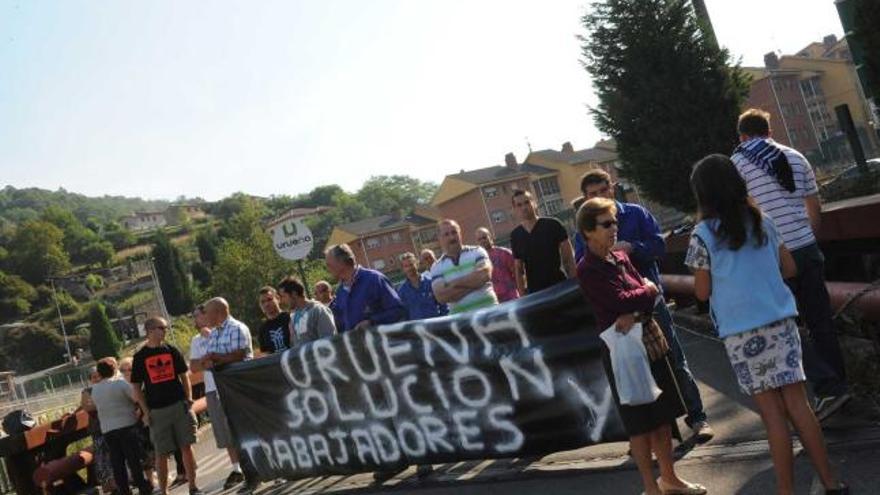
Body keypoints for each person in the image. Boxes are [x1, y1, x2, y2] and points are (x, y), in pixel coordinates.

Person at [686, 154, 847, 495]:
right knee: (799, 406)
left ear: (703, 194)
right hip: (779, 323)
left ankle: (785, 491)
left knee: (772, 414)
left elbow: (701, 290)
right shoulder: (763, 221)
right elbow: (789, 268)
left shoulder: (701, 235)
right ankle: (831, 482)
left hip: (741, 334)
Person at [577, 197, 705, 495]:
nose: (614, 229)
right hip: (622, 352)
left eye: (615, 223)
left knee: (662, 418)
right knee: (640, 424)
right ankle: (651, 487)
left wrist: (637, 303)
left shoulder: (620, 258)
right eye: (606, 224)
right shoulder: (588, 268)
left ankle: (670, 479)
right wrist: (642, 295)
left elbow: (650, 290)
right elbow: (622, 300)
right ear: (587, 231)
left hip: (649, 342)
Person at [732, 108, 850, 421]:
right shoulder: (796, 157)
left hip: (774, 256)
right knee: (821, 321)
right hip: (807, 248)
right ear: (769, 131)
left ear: (743, 136)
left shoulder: (738, 163)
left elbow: (743, 214)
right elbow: (814, 206)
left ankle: (827, 387)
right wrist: (806, 238)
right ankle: (838, 388)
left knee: (785, 327)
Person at [579, 169, 713, 441]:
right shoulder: (585, 227)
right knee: (636, 371)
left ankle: (697, 417)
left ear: (612, 187)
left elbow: (659, 247)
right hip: (622, 313)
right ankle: (657, 433)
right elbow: (586, 266)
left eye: (603, 190)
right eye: (592, 195)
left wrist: (634, 248)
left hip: (652, 305)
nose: (599, 197)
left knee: (673, 360)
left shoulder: (636, 214)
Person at [130, 317, 201, 495]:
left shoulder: (171, 350)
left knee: (187, 446)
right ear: (150, 330)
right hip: (157, 411)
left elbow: (184, 377)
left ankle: (193, 486)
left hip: (178, 405)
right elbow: (137, 388)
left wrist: (189, 399)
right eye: (162, 328)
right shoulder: (140, 357)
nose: (165, 331)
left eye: (165, 328)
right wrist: (146, 412)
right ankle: (164, 491)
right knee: (161, 453)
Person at [186, 305, 247, 491]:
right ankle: (237, 468)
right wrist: (208, 359)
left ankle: (252, 462)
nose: (199, 318)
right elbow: (194, 367)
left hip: (232, 384)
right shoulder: (197, 340)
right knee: (223, 431)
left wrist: (210, 359)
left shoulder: (225, 331)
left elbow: (235, 355)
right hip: (212, 388)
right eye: (197, 316)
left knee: (242, 425)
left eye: (202, 314)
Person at [200, 298, 256, 493]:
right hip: (224, 389)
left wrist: (217, 359)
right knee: (237, 435)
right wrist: (217, 359)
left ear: (218, 311)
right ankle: (251, 476)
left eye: (207, 312)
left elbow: (239, 355)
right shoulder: (214, 333)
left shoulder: (237, 328)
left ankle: (268, 469)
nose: (205, 316)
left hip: (241, 387)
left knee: (251, 430)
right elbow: (206, 361)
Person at [90, 357, 152, 495]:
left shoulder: (95, 390)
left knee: (117, 462)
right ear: (113, 369)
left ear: (99, 373)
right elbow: (135, 397)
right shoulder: (120, 383)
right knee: (133, 459)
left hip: (107, 429)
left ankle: (124, 489)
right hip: (126, 425)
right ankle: (142, 486)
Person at [324, 243, 405, 332]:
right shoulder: (340, 291)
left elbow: (398, 310)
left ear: (341, 262)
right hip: (358, 345)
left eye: (329, 264)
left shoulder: (374, 279)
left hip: (381, 343)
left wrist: (372, 322)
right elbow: (341, 324)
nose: (328, 269)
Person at [510, 189, 576, 294]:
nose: (524, 207)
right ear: (514, 209)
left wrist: (574, 285)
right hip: (535, 293)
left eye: (527, 202)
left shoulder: (553, 225)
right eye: (519, 205)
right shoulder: (515, 236)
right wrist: (523, 296)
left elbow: (568, 259)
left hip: (560, 286)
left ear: (534, 203)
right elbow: (519, 269)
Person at [430, 219, 498, 313]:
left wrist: (453, 284)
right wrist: (475, 283)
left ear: (460, 233)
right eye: (446, 234)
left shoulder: (477, 251)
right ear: (439, 238)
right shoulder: (436, 267)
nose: (452, 237)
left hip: (491, 313)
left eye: (454, 232)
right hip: (461, 323)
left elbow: (484, 275)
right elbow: (441, 297)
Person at [79, 367, 116, 494]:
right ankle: (108, 485)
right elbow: (87, 407)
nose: (97, 379)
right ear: (90, 380)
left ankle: (118, 482)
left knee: (114, 454)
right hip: (98, 429)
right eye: (94, 377)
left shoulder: (108, 387)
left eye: (98, 376)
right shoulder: (87, 391)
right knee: (102, 457)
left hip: (112, 425)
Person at [277, 276, 337, 346]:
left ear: (294, 294)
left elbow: (330, 341)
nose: (282, 301)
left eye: (283, 296)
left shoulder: (319, 310)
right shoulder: (293, 316)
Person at [396, 252, 448, 320]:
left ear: (416, 264)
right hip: (417, 329)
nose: (409, 268)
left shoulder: (430, 283)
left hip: (436, 326)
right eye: (406, 266)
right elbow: (403, 314)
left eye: (411, 264)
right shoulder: (402, 291)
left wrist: (442, 321)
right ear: (403, 269)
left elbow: (443, 304)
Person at [474, 227, 519, 302]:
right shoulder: (476, 261)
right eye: (479, 239)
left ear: (490, 237)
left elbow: (518, 274)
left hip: (511, 297)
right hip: (492, 301)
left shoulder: (505, 253)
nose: (482, 241)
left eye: (484, 237)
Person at [256, 287, 291, 356]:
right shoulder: (262, 328)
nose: (266, 304)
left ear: (278, 299)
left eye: (269, 300)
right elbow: (265, 353)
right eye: (263, 302)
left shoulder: (290, 318)